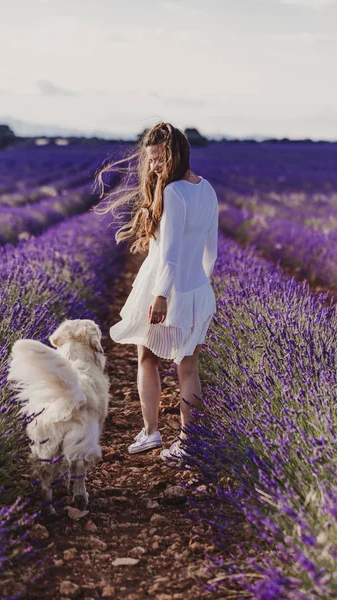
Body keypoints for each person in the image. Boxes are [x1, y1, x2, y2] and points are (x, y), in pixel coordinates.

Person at [93, 121, 218, 462]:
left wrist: (162, 295)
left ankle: (151, 433)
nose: (154, 165)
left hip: (164, 285)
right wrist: (200, 285)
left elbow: (171, 252)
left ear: (175, 153)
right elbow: (211, 251)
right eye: (150, 159)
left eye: (160, 157)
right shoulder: (207, 189)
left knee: (147, 358)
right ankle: (190, 443)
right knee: (188, 368)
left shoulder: (174, 192)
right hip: (195, 289)